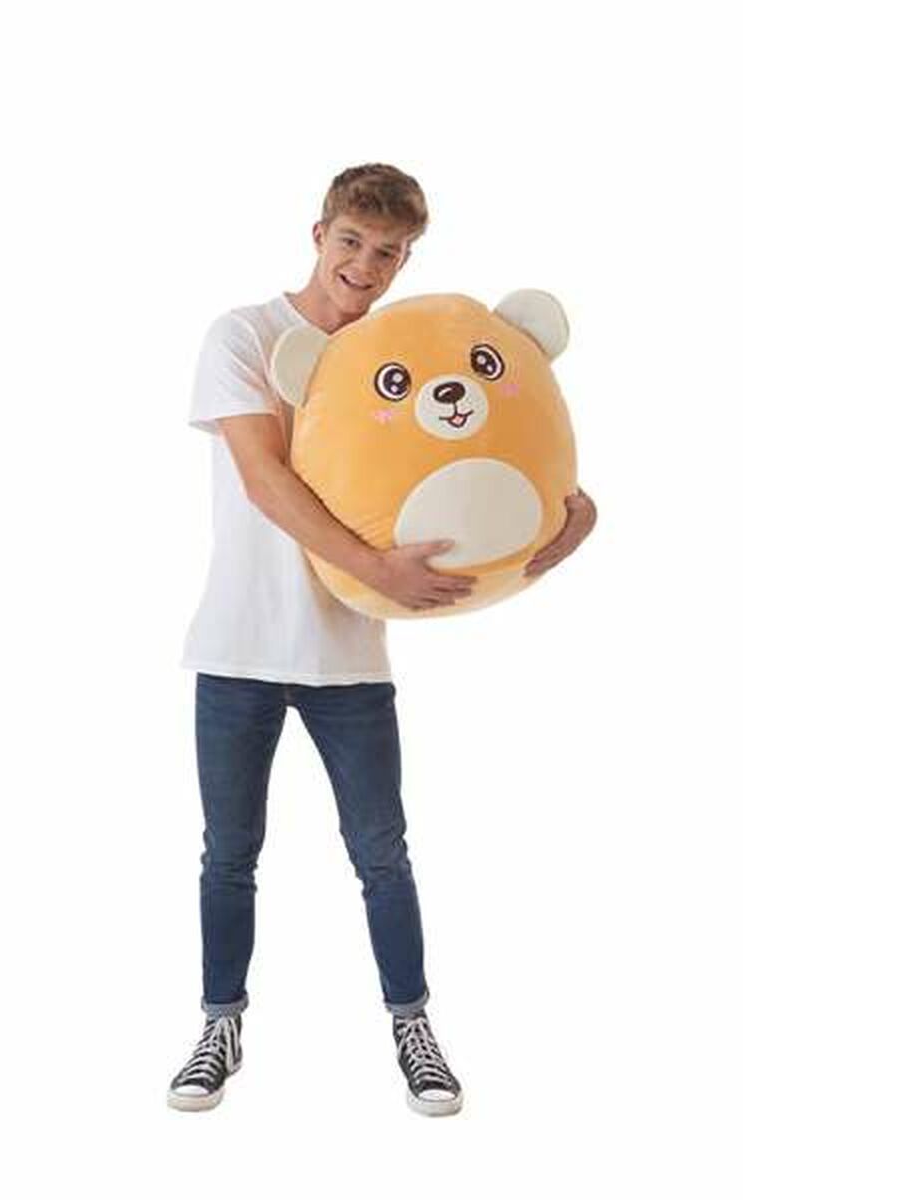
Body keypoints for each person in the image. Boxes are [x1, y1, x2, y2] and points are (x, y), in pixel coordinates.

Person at [166, 164, 597, 1117]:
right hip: (237, 646)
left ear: (408, 260)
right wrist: (374, 565)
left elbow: (488, 451)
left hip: (348, 656)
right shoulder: (243, 335)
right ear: (318, 234)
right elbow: (264, 478)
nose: (365, 265)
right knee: (228, 854)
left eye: (389, 252)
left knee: (382, 853)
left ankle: (413, 1026)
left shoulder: (399, 347)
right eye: (352, 241)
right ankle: (218, 1026)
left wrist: (566, 524)